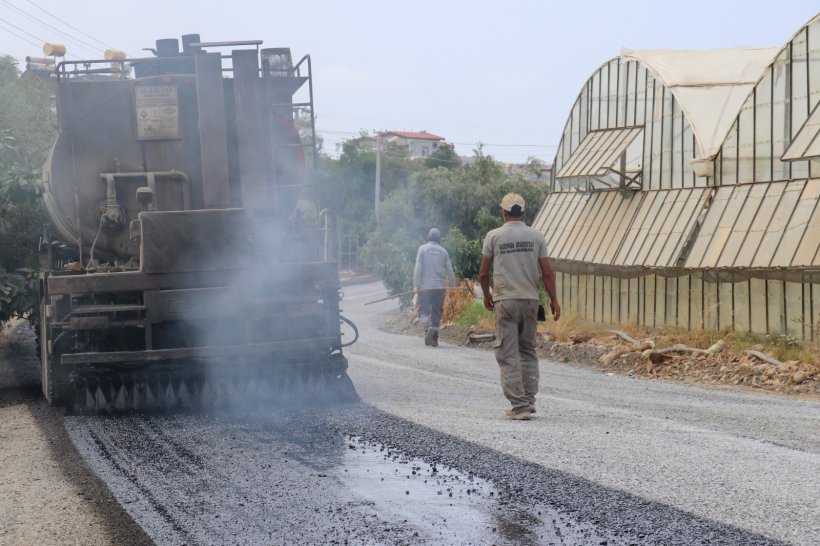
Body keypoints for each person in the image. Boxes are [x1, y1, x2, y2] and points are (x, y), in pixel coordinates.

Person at [479, 193, 561, 420]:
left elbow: (484, 272)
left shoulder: (493, 236)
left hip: (505, 301)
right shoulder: (536, 236)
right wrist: (554, 300)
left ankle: (519, 406)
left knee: (508, 353)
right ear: (523, 212)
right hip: (530, 301)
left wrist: (487, 295)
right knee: (528, 351)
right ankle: (530, 400)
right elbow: (547, 272)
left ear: (503, 212)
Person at [413, 227, 456, 347]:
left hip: (425, 288)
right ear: (439, 239)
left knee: (422, 311)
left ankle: (428, 328)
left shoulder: (422, 249)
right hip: (439, 288)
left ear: (428, 237)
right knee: (437, 312)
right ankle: (435, 338)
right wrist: (453, 287)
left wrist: (416, 285)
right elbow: (450, 270)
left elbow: (418, 268)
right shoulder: (444, 251)